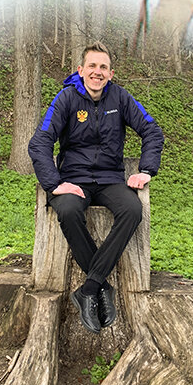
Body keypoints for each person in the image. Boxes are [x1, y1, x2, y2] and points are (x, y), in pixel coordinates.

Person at [28, 42, 163, 333]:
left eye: (103, 67)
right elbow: (39, 142)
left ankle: (89, 288)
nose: (97, 72)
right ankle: (101, 286)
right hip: (73, 179)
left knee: (131, 209)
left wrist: (146, 171)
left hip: (110, 178)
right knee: (67, 209)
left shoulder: (121, 98)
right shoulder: (65, 99)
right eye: (92, 66)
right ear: (81, 70)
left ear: (110, 73)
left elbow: (152, 130)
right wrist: (55, 183)